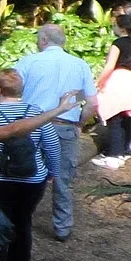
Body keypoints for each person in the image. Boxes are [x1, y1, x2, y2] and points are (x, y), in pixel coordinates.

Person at [13, 23, 99, 242]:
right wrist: (79, 124)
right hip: (64, 126)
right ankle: (62, 227)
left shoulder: (28, 62)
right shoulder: (80, 65)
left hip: (31, 125)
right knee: (63, 178)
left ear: (43, 40)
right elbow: (91, 103)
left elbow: (10, 92)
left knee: (25, 172)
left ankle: (20, 219)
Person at [0, 69, 57, 261]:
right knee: (23, 221)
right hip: (32, 179)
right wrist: (52, 172)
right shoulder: (36, 112)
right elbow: (51, 145)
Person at [92, 38, 131, 169]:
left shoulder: (118, 43)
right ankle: (124, 151)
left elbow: (110, 65)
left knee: (114, 119)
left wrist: (98, 83)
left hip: (118, 80)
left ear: (121, 27)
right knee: (127, 118)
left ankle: (113, 156)